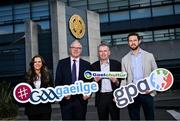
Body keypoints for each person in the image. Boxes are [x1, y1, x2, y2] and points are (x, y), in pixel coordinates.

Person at [121, 32, 157, 120]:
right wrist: (123, 93)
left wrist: (153, 88)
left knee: (150, 118)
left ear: (139, 41)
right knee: (134, 118)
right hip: (132, 93)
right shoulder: (124, 59)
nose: (133, 42)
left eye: (135, 40)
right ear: (128, 43)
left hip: (147, 92)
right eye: (130, 41)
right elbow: (123, 79)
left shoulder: (149, 56)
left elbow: (155, 73)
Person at [55, 40, 91, 120]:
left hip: (81, 101)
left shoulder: (87, 65)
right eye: (73, 47)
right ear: (70, 49)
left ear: (81, 50)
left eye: (78, 48)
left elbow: (90, 82)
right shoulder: (61, 63)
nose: (76, 50)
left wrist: (89, 94)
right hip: (66, 101)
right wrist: (63, 93)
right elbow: (58, 81)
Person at [91, 43, 121, 120]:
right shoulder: (93, 66)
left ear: (109, 52)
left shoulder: (117, 64)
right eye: (100, 51)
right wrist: (94, 81)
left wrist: (116, 81)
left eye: (105, 51)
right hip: (101, 98)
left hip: (114, 97)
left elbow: (122, 82)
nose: (103, 53)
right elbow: (90, 84)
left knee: (116, 118)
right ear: (98, 53)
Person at [25, 55, 54, 120]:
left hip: (45, 109)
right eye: (35, 62)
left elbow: (52, 89)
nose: (37, 64)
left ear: (42, 63)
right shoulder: (27, 76)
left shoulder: (48, 75)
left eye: (39, 62)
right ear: (32, 64)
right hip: (31, 109)